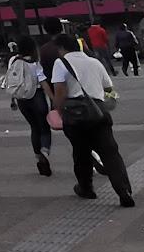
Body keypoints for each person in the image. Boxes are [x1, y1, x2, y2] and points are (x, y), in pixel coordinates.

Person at [47, 32, 135, 207]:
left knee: (81, 152)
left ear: (61, 48)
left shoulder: (61, 62)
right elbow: (108, 86)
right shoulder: (94, 61)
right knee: (110, 152)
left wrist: (58, 110)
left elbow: (60, 90)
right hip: (98, 111)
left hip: (75, 114)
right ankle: (123, 189)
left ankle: (86, 187)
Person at [3, 39, 54, 177]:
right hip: (37, 95)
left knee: (34, 127)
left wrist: (12, 99)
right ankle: (44, 151)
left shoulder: (13, 60)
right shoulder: (35, 62)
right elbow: (43, 82)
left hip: (22, 99)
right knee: (44, 127)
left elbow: (13, 81)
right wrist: (53, 99)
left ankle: (38, 156)